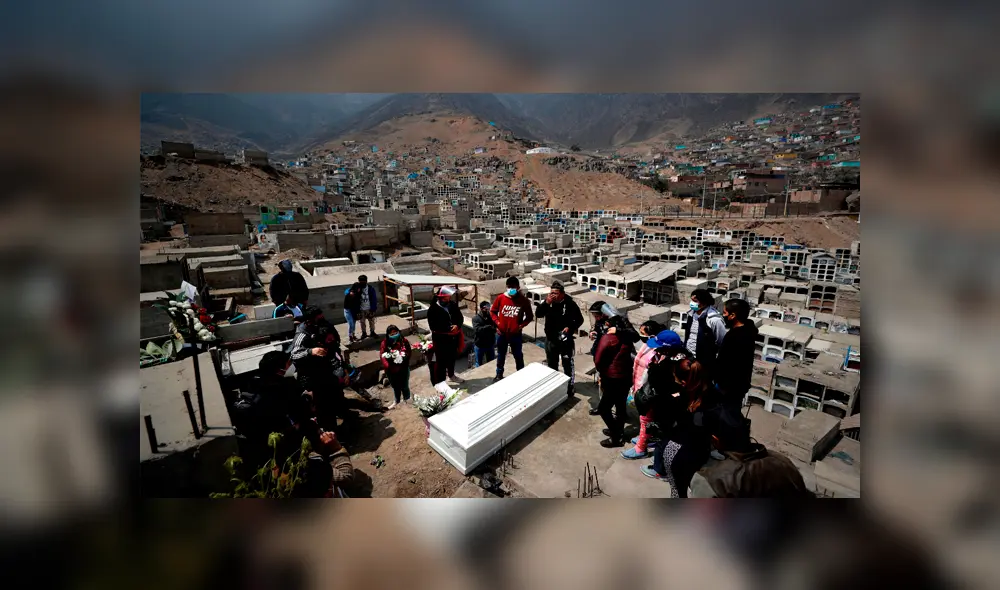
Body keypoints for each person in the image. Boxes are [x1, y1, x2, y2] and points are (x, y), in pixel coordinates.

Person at [641, 355, 719, 498]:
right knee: (694, 487)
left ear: (684, 382)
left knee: (677, 491)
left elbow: (663, 421)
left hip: (676, 450)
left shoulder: (678, 400)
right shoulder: (711, 395)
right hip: (701, 451)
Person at [620, 324, 681, 460]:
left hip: (657, 395)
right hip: (652, 392)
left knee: (648, 421)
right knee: (647, 420)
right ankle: (646, 439)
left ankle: (642, 449)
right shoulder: (663, 356)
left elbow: (663, 381)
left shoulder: (672, 362)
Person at [290, 306, 349, 433]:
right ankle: (330, 432)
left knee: (337, 398)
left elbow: (335, 347)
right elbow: (294, 354)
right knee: (323, 407)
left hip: (327, 371)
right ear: (310, 321)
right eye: (319, 318)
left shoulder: (324, 327)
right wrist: (311, 351)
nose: (322, 319)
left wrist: (342, 369)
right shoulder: (302, 334)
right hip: (312, 377)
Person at [534, 281, 584, 397]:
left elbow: (580, 320)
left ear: (562, 294)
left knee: (567, 364)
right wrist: (546, 303)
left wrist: (570, 328)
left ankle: (569, 386)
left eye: (555, 293)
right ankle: (554, 385)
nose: (553, 295)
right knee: (552, 364)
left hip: (565, 340)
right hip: (551, 339)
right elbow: (538, 314)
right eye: (551, 293)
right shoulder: (548, 302)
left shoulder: (570, 304)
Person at [593, 315, 636, 448]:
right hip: (626, 377)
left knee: (604, 409)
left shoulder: (608, 338)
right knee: (620, 406)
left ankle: (615, 435)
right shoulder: (628, 338)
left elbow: (598, 359)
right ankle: (619, 430)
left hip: (612, 378)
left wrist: (601, 371)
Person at [715, 298, 759, 412]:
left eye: (725, 312)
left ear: (732, 315)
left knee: (728, 416)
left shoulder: (737, 336)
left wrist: (724, 386)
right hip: (736, 386)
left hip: (731, 387)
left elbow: (733, 365)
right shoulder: (747, 330)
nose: (723, 315)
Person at [490, 276, 533, 382]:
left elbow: (529, 316)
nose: (510, 289)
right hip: (502, 334)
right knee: (500, 355)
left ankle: (521, 373)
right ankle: (499, 374)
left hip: (515, 334)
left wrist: (521, 325)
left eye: (513, 287)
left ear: (518, 287)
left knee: (518, 355)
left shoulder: (523, 300)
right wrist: (497, 323)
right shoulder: (501, 298)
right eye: (508, 287)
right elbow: (493, 312)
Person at [683, 288, 727, 376]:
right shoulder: (691, 314)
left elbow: (720, 341)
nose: (692, 303)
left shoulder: (714, 320)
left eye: (695, 301)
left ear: (704, 302)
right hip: (689, 355)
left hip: (704, 361)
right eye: (692, 300)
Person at [427, 286, 465, 386]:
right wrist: (448, 329)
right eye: (445, 298)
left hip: (453, 338)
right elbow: (433, 326)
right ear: (440, 298)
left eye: (448, 297)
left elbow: (459, 317)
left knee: (452, 358)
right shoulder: (433, 309)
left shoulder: (452, 305)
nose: (447, 299)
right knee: (441, 362)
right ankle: (441, 383)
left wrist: (457, 325)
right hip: (440, 340)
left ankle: (452, 375)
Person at [380, 324, 412, 409]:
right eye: (392, 333)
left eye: (396, 332)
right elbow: (382, 356)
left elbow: (408, 352)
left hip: (403, 368)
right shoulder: (385, 343)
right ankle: (397, 401)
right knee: (396, 387)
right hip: (391, 370)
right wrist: (389, 365)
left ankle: (407, 399)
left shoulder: (404, 341)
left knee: (405, 385)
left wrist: (403, 358)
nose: (394, 335)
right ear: (388, 334)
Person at [471, 300, 497, 367]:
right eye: (486, 309)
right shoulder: (475, 318)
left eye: (488, 309)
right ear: (481, 309)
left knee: (491, 362)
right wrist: (488, 327)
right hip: (480, 345)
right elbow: (477, 330)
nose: (487, 310)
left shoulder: (491, 317)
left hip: (490, 344)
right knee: (479, 364)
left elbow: (495, 327)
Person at [356, 274, 378, 340]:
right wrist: (357, 311)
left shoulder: (371, 289)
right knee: (362, 322)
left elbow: (374, 299)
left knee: (371, 321)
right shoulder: (357, 289)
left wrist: (373, 309)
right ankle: (364, 333)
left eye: (363, 282)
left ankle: (372, 332)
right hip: (361, 309)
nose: (362, 283)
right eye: (360, 282)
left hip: (369, 309)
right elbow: (355, 300)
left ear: (366, 281)